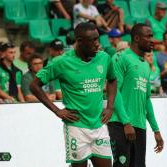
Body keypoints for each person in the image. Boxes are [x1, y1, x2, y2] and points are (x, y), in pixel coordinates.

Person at [30, 23, 116, 167]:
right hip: (76, 127)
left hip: (99, 125)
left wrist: (110, 107)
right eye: (92, 41)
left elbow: (112, 80)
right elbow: (34, 85)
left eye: (98, 39)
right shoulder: (61, 62)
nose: (97, 44)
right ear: (79, 41)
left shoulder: (104, 58)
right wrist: (57, 110)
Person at [108, 23, 164, 167]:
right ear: (137, 38)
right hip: (120, 124)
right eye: (149, 36)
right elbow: (114, 92)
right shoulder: (120, 57)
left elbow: (146, 100)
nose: (153, 40)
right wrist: (126, 123)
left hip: (139, 126)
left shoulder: (145, 65)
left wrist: (156, 130)